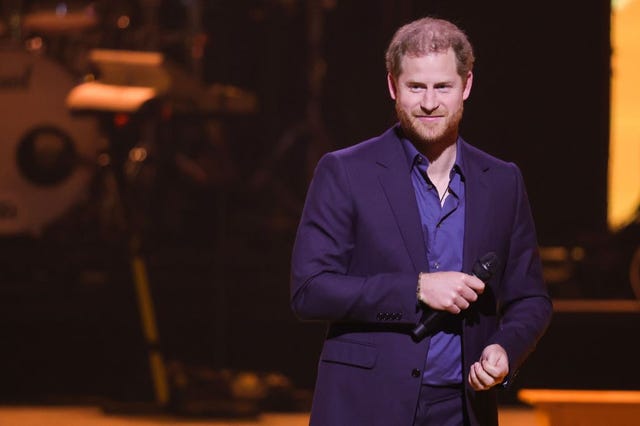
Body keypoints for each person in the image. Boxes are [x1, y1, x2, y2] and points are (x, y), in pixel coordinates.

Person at [290, 16, 552, 426]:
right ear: (393, 87)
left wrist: (505, 348)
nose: (429, 102)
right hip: (365, 406)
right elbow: (309, 290)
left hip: (462, 408)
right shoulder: (346, 172)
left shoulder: (502, 181)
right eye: (416, 87)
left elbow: (530, 299)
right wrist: (416, 289)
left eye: (443, 87)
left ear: (466, 86)